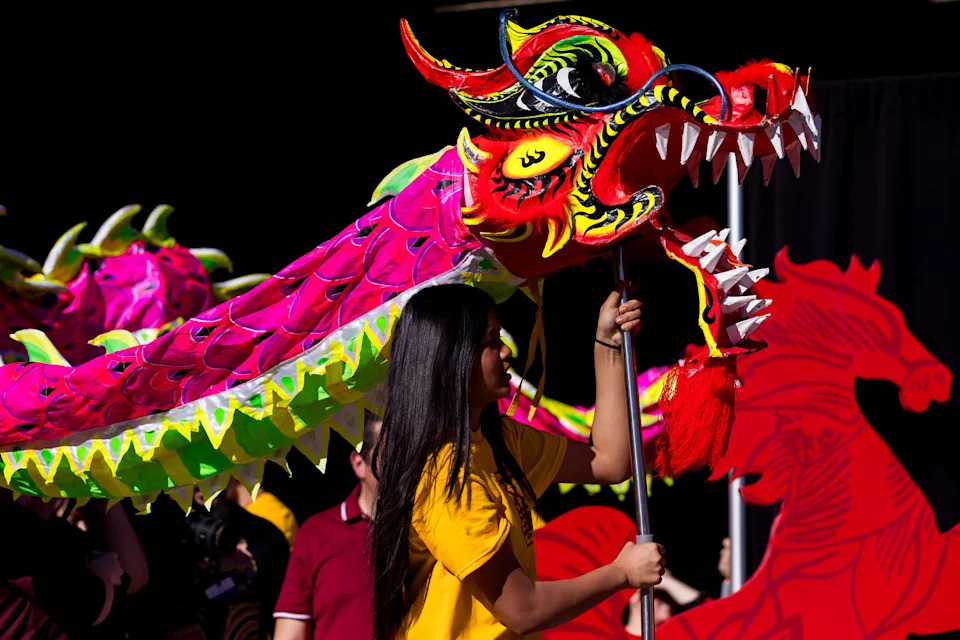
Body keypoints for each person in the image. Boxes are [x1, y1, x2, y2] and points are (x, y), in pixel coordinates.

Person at [371, 283, 665, 640]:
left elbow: (609, 462)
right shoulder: (444, 476)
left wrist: (609, 346)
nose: (507, 352)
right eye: (491, 342)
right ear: (451, 359)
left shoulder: (501, 439)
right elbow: (523, 609)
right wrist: (622, 574)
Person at [273, 412, 382, 640]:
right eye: (390, 455)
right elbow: (290, 634)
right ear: (359, 463)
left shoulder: (429, 528)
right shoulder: (316, 535)